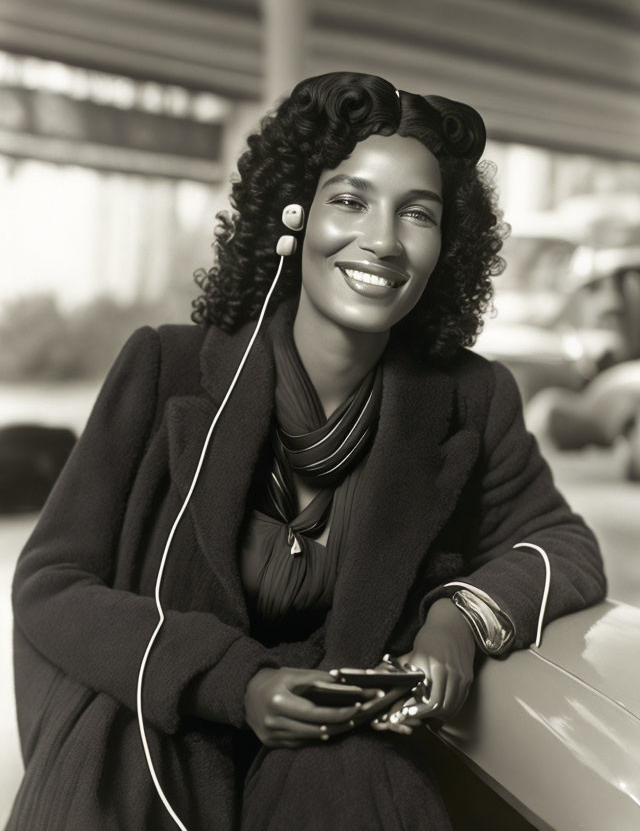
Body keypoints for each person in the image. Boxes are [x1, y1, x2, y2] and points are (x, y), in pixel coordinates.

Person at [8, 72, 607, 831]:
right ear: (295, 213)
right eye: (351, 200)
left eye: (417, 214)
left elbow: (564, 546)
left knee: (355, 783)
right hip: (157, 753)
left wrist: (459, 619)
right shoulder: (167, 369)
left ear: (445, 246)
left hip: (329, 771)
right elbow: (52, 583)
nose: (383, 241)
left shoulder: (470, 399)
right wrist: (238, 684)